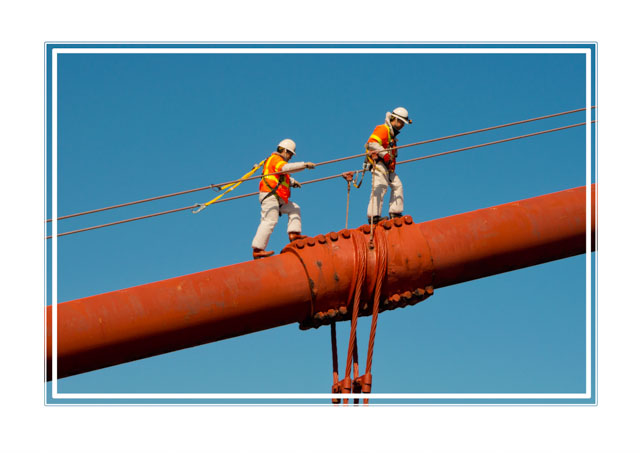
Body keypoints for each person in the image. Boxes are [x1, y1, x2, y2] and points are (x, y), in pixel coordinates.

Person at [251, 139, 316, 259]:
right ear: (285, 151)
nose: (291, 157)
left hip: (278, 197)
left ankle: (294, 234)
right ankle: (258, 249)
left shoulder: (276, 162)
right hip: (270, 195)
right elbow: (285, 169)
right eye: (290, 154)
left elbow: (280, 175)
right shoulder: (276, 160)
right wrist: (304, 165)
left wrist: (291, 182)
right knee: (270, 220)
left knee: (294, 208)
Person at [364, 107, 412, 224]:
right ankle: (373, 216)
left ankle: (395, 213)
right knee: (380, 187)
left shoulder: (392, 136)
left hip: (388, 167)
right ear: (393, 119)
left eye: (403, 123)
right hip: (379, 164)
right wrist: (384, 154)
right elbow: (371, 143)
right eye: (400, 122)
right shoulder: (383, 129)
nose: (401, 125)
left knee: (397, 185)